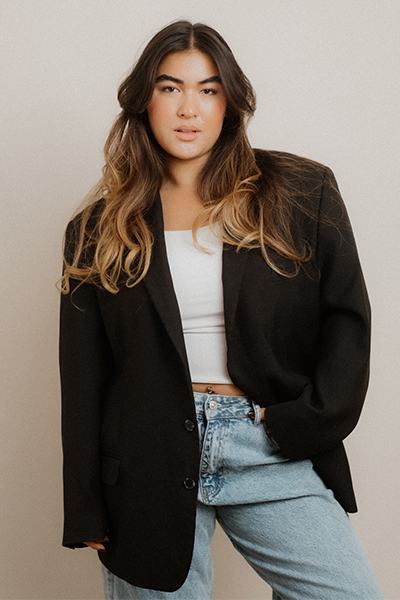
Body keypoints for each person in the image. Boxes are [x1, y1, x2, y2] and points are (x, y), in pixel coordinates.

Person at [59, 20, 384, 600]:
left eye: (208, 90)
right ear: (144, 100)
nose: (189, 108)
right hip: (147, 458)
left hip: (265, 444)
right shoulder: (97, 229)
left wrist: (304, 421)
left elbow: (347, 319)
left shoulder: (299, 191)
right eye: (170, 88)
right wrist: (85, 506)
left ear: (229, 103)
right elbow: (85, 379)